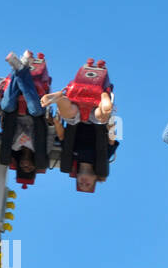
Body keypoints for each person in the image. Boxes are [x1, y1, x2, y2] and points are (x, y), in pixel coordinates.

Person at [44, 59, 116, 192]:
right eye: (87, 184)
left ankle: (59, 98)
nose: (83, 182)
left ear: (76, 178)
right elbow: (112, 140)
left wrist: (56, 121)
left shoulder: (72, 157)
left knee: (70, 113)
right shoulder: (103, 159)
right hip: (96, 120)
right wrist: (113, 124)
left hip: (76, 120)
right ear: (95, 179)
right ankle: (105, 98)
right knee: (100, 117)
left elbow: (62, 137)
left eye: (80, 184)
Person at [0, 50, 51, 180]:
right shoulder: (41, 150)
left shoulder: (14, 146)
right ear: (34, 166)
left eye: (22, 168)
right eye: (29, 168)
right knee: (34, 110)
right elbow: (50, 134)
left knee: (7, 105)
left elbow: (3, 129)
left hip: (13, 113)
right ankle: (20, 68)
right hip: (35, 115)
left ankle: (20, 68)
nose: (25, 165)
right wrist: (51, 123)